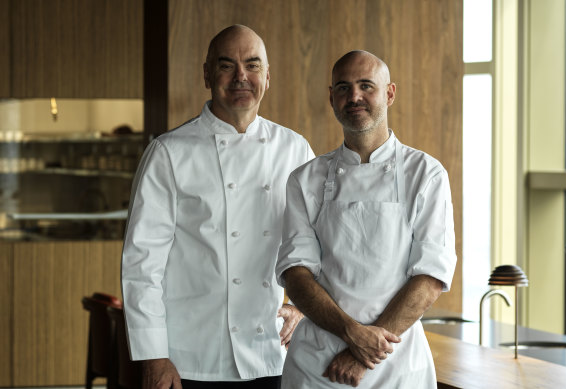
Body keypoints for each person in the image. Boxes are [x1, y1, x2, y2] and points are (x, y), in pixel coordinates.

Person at [121, 25, 314, 389]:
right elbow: (142, 263)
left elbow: (312, 244)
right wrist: (153, 357)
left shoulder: (296, 150)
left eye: (253, 65)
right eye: (227, 65)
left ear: (267, 77)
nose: (241, 76)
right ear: (207, 74)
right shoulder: (169, 153)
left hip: (271, 353)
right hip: (189, 359)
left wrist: (302, 306)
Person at [275, 50, 457, 388]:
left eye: (366, 86)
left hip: (396, 367)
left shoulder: (426, 174)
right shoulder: (305, 179)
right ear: (332, 97)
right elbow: (296, 273)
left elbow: (430, 277)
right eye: (343, 87)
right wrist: (351, 333)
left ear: (389, 93)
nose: (354, 96)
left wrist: (362, 352)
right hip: (318, 366)